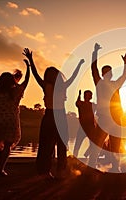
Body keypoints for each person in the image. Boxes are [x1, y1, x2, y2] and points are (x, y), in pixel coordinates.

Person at [23, 48, 84, 179]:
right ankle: (46, 171)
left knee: (61, 145)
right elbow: (35, 74)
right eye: (51, 74)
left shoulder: (61, 86)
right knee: (47, 145)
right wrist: (31, 60)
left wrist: (79, 65)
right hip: (52, 116)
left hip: (59, 116)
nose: (53, 76)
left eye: (54, 74)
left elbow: (73, 76)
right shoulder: (46, 85)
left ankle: (60, 170)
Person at [0, 58, 30, 179]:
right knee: (7, 146)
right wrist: (28, 67)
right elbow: (26, 81)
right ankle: (0, 170)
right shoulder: (15, 92)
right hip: (11, 122)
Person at [87, 43, 126, 173]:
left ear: (111, 74)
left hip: (116, 118)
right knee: (97, 143)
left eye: (109, 72)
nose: (108, 73)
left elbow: (124, 76)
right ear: (103, 74)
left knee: (116, 144)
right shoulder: (99, 83)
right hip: (105, 118)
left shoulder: (115, 84)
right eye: (105, 72)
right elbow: (93, 69)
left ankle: (115, 167)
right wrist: (94, 53)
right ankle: (92, 166)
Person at [73, 89, 96, 158]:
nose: (89, 97)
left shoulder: (92, 105)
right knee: (78, 143)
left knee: (94, 144)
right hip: (83, 127)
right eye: (87, 95)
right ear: (84, 96)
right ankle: (74, 157)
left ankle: (88, 154)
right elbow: (77, 103)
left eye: (90, 96)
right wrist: (79, 96)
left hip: (91, 127)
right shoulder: (81, 104)